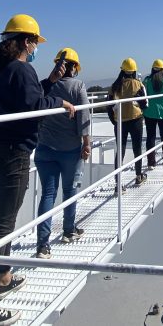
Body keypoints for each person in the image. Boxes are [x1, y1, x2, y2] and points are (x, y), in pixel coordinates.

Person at [0, 15, 76, 326]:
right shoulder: (22, 69)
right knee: (2, 227)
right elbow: (34, 107)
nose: (36, 48)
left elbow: (23, 99)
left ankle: (4, 277)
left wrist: (49, 84)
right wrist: (57, 99)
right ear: (27, 42)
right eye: (35, 42)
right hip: (13, 156)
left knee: (6, 222)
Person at [34, 48, 91, 259]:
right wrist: (86, 143)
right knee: (70, 191)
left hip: (45, 148)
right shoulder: (78, 86)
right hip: (70, 150)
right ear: (75, 68)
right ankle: (69, 230)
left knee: (47, 194)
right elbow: (83, 116)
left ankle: (42, 245)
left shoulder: (45, 85)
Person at [106, 58, 147, 187]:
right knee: (137, 149)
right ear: (134, 71)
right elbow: (145, 104)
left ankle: (118, 184)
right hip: (136, 120)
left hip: (120, 122)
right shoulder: (139, 84)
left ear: (122, 71)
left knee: (120, 151)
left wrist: (114, 120)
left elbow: (109, 105)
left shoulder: (115, 86)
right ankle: (138, 176)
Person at [142, 59, 163, 168]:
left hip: (149, 113)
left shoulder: (146, 81)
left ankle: (151, 163)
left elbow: (142, 95)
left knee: (150, 137)